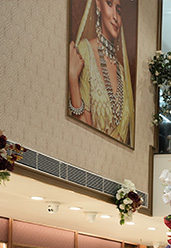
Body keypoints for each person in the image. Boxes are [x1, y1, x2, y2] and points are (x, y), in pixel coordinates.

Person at [68, 0, 135, 145]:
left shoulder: (121, 71)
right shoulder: (86, 52)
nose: (115, 17)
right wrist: (73, 78)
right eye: (109, 4)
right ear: (98, 5)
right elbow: (82, 126)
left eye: (119, 11)